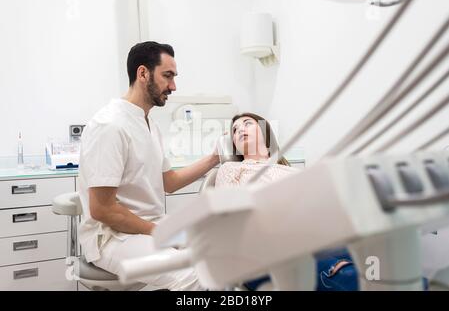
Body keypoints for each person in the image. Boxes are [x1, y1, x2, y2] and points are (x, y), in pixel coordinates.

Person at [77, 41, 219, 290]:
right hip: (113, 238)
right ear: (143, 73)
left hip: (146, 227)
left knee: (215, 252)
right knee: (193, 274)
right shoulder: (109, 126)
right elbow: (102, 210)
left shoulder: (149, 125)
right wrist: (161, 232)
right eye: (168, 76)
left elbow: (169, 182)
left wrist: (214, 158)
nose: (173, 86)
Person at [215, 112, 358, 291]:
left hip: (313, 237)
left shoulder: (291, 171)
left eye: (247, 124)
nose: (240, 129)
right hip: (265, 250)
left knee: (370, 259)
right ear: (234, 144)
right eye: (235, 130)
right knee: (345, 275)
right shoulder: (230, 169)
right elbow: (228, 218)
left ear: (265, 132)